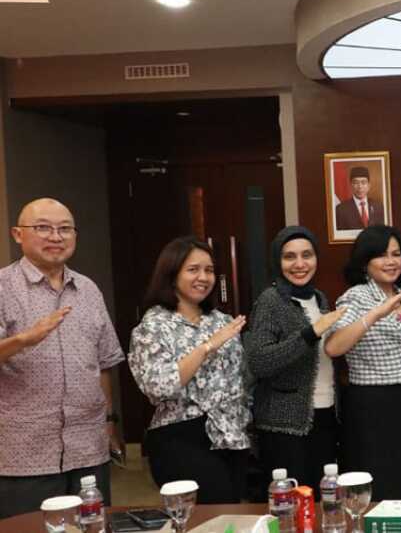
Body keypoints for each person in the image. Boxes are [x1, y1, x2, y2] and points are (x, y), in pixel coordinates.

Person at [0, 198, 124, 518]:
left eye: (65, 229)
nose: (56, 237)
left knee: (92, 525)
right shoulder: (3, 287)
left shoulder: (88, 289)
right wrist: (22, 340)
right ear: (17, 234)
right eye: (43, 228)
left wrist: (109, 424)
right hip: (25, 453)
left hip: (88, 448)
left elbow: (104, 363)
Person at [128, 236, 251, 503]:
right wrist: (207, 347)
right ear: (172, 275)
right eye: (193, 269)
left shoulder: (222, 321)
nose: (203, 278)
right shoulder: (154, 326)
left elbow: (240, 379)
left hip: (231, 435)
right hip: (182, 436)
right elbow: (158, 388)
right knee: (205, 517)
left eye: (209, 270)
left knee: (232, 514)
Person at [324, 225, 401, 499]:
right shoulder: (356, 296)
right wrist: (374, 315)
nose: (391, 261)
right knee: (383, 480)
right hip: (373, 403)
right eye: (381, 255)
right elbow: (333, 346)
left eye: (396, 254)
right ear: (364, 262)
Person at [243, 226, 345, 490]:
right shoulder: (270, 300)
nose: (300, 264)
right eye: (289, 256)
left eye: (307, 255)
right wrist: (311, 333)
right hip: (283, 424)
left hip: (325, 415)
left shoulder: (319, 298)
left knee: (324, 499)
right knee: (291, 503)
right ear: (277, 261)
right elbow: (259, 361)